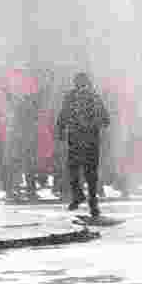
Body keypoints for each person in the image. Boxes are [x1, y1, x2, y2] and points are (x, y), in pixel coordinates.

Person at [56, 72, 110, 217]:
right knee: (91, 172)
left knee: (73, 168)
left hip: (75, 138)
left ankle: (78, 195)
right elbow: (106, 119)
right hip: (92, 139)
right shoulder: (94, 96)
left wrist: (61, 130)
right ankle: (93, 203)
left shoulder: (70, 97)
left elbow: (63, 115)